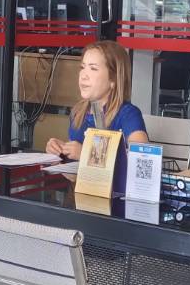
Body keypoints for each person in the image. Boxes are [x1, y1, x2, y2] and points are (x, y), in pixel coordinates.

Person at [46, 41, 150, 189]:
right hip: (84, 196)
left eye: (93, 68)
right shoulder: (78, 112)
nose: (83, 75)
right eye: (82, 67)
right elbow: (75, 176)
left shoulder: (129, 115)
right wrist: (59, 155)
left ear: (113, 79)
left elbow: (141, 164)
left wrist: (87, 155)